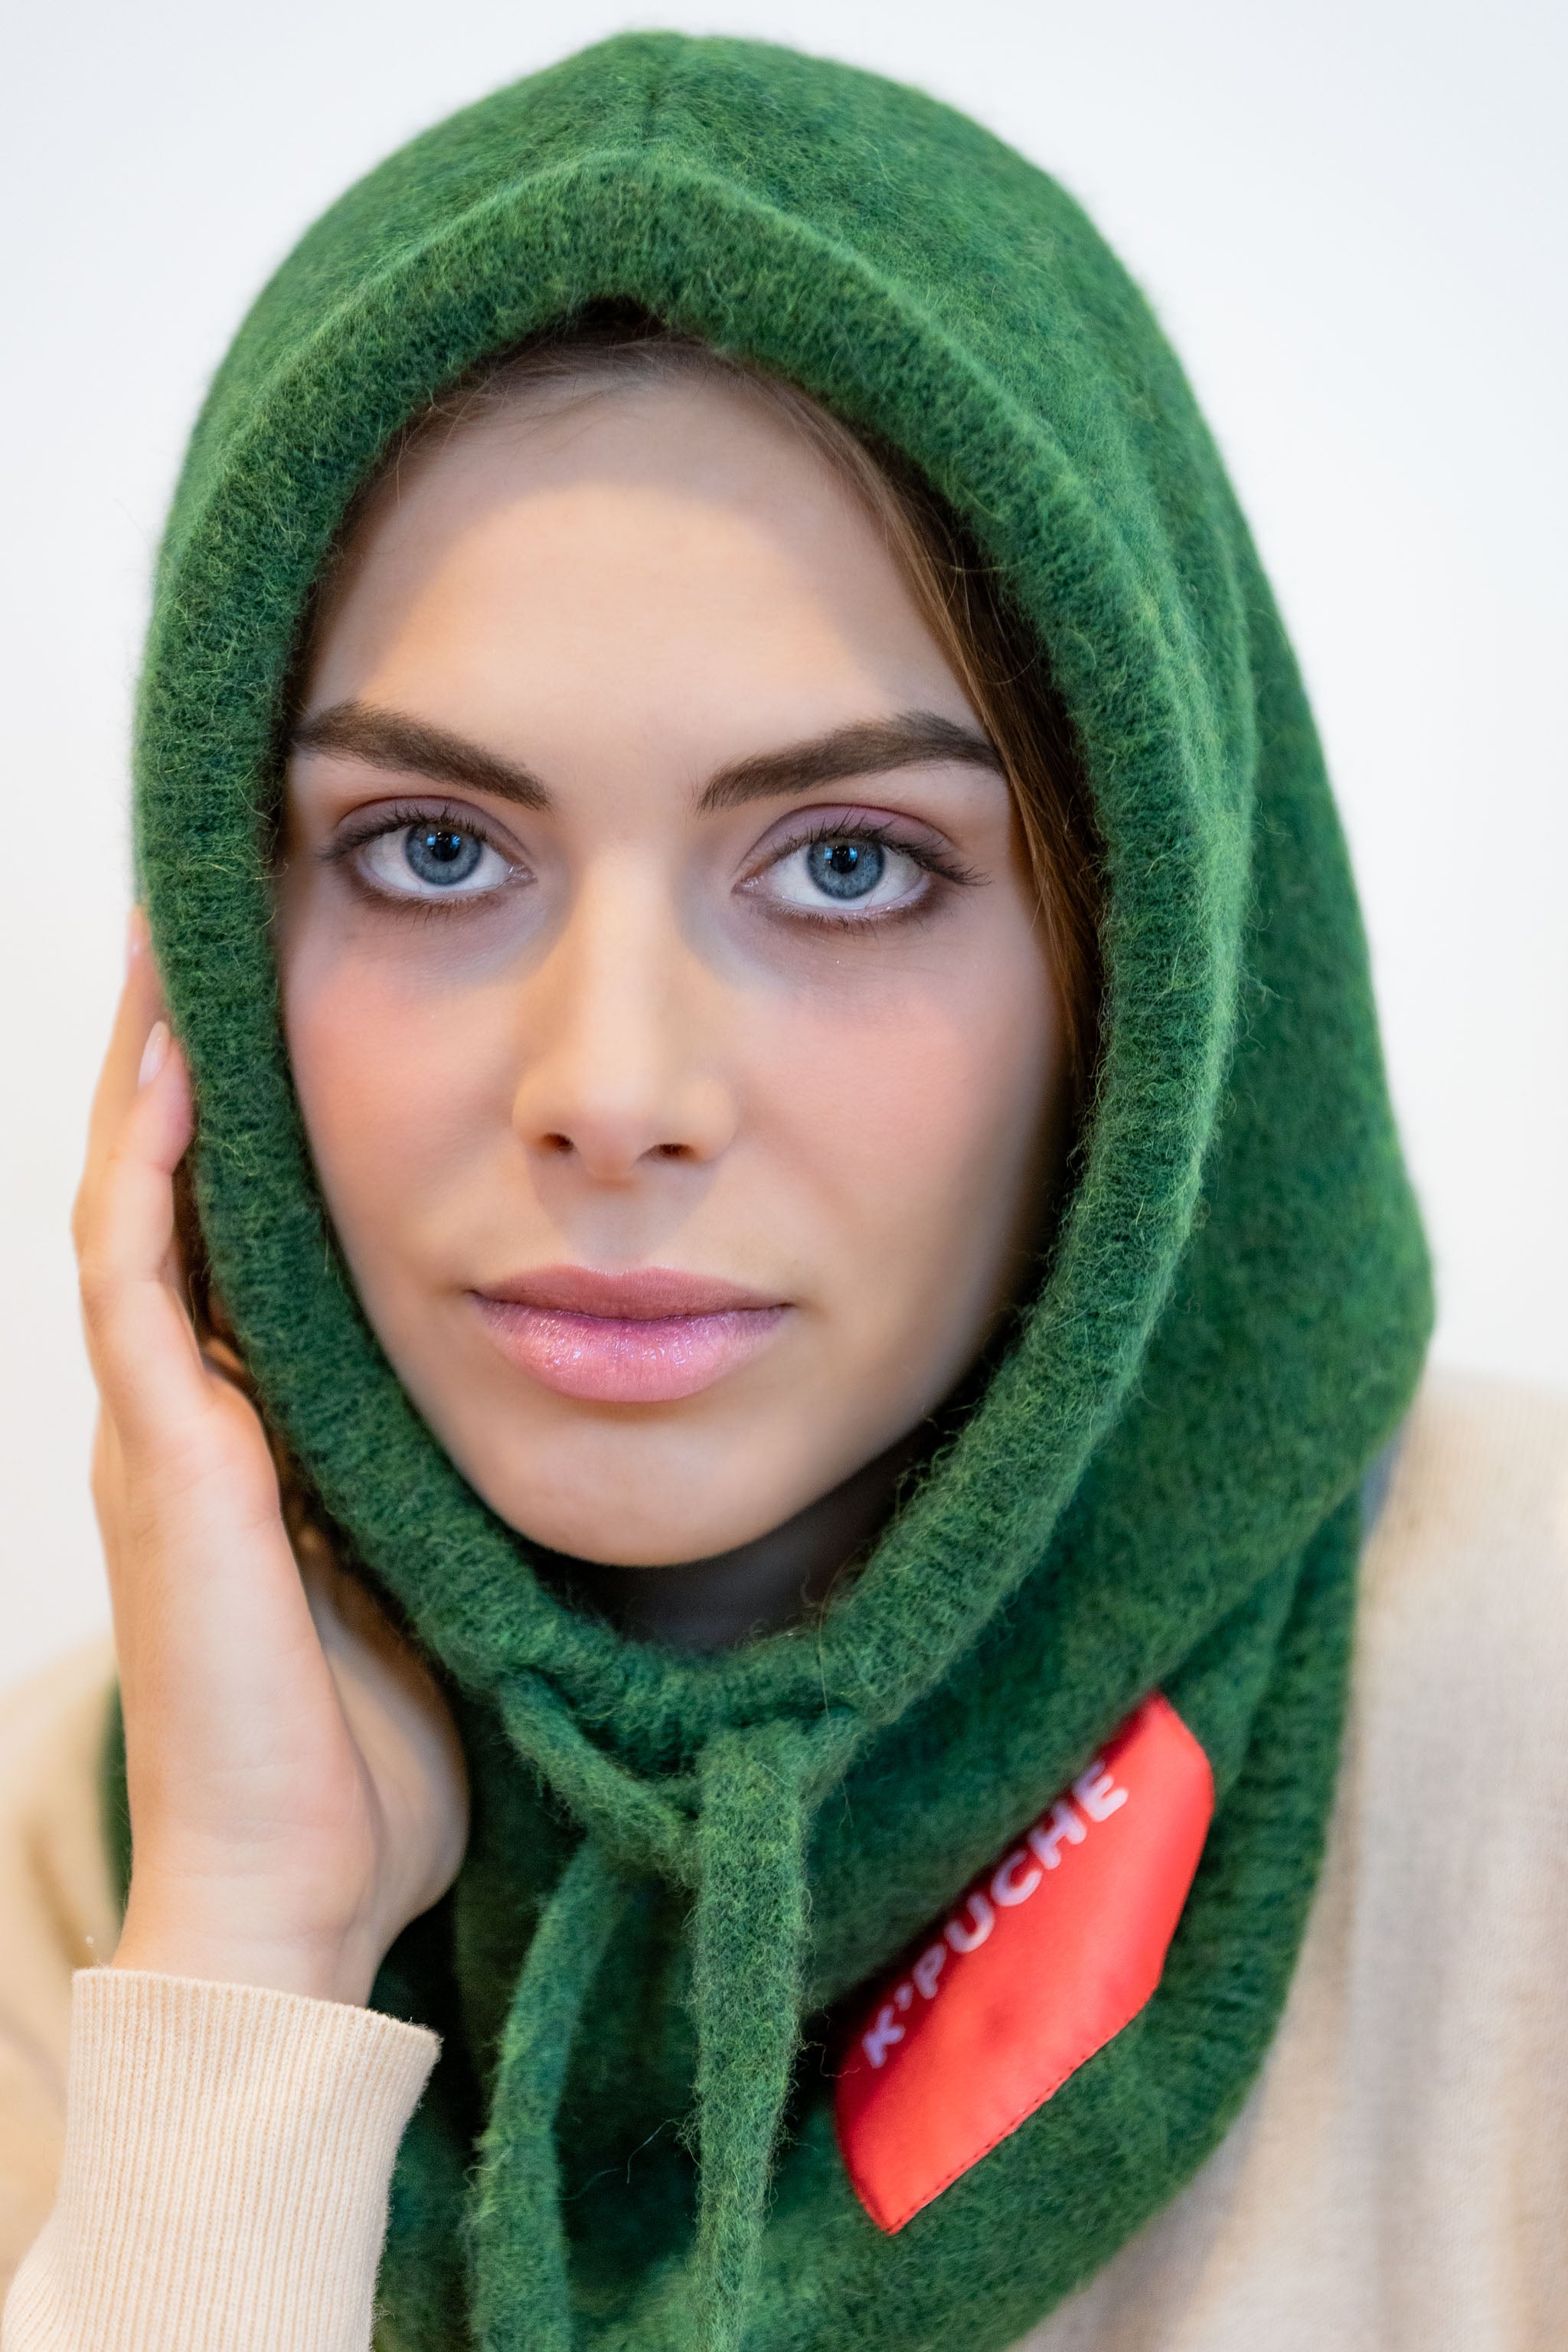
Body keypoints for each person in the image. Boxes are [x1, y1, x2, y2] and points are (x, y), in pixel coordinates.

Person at [2, 31, 1563, 2352]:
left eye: (848, 863)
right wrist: (251, 1958)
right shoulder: (99, 1870)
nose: (614, 1093)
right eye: (431, 851)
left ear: (1140, 964)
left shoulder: (1522, 1712)